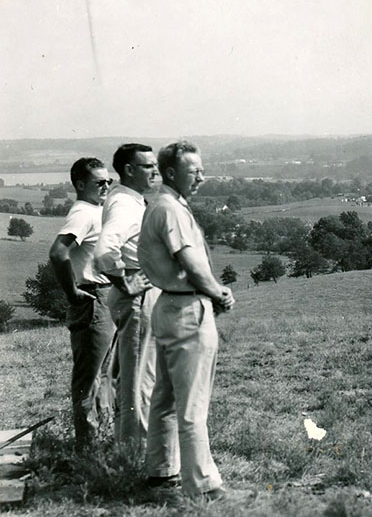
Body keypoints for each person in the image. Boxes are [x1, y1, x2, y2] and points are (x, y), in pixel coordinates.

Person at [139, 141, 234, 498]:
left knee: (164, 397)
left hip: (169, 307)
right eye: (195, 172)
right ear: (170, 173)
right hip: (186, 310)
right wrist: (218, 292)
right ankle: (204, 486)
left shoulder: (164, 205)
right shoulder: (170, 209)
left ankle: (162, 473)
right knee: (193, 403)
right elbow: (192, 264)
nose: (201, 178)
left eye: (201, 170)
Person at [94, 143, 160, 448]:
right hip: (138, 297)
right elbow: (106, 251)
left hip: (139, 295)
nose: (155, 171)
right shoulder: (124, 204)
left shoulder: (127, 199)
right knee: (140, 381)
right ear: (129, 170)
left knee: (131, 377)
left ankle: (128, 449)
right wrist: (125, 283)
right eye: (148, 166)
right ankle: (138, 456)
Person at [49, 158, 116, 449]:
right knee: (89, 380)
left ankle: (101, 443)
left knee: (103, 376)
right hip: (92, 299)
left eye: (108, 181)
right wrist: (72, 292)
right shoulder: (83, 213)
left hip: (106, 298)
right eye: (99, 182)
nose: (106, 186)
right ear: (79, 185)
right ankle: (86, 454)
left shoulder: (95, 210)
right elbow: (58, 253)